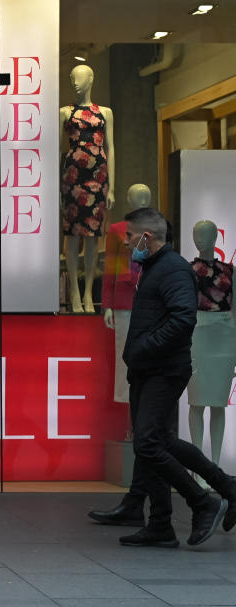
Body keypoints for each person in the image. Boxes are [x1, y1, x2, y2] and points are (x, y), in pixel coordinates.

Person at [116, 207, 236, 548]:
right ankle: (165, 522)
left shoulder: (172, 270)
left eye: (129, 236)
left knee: (148, 443)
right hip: (149, 367)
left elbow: (184, 318)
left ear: (147, 237)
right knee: (159, 441)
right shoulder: (153, 267)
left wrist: (144, 349)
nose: (126, 243)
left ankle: (203, 502)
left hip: (163, 369)